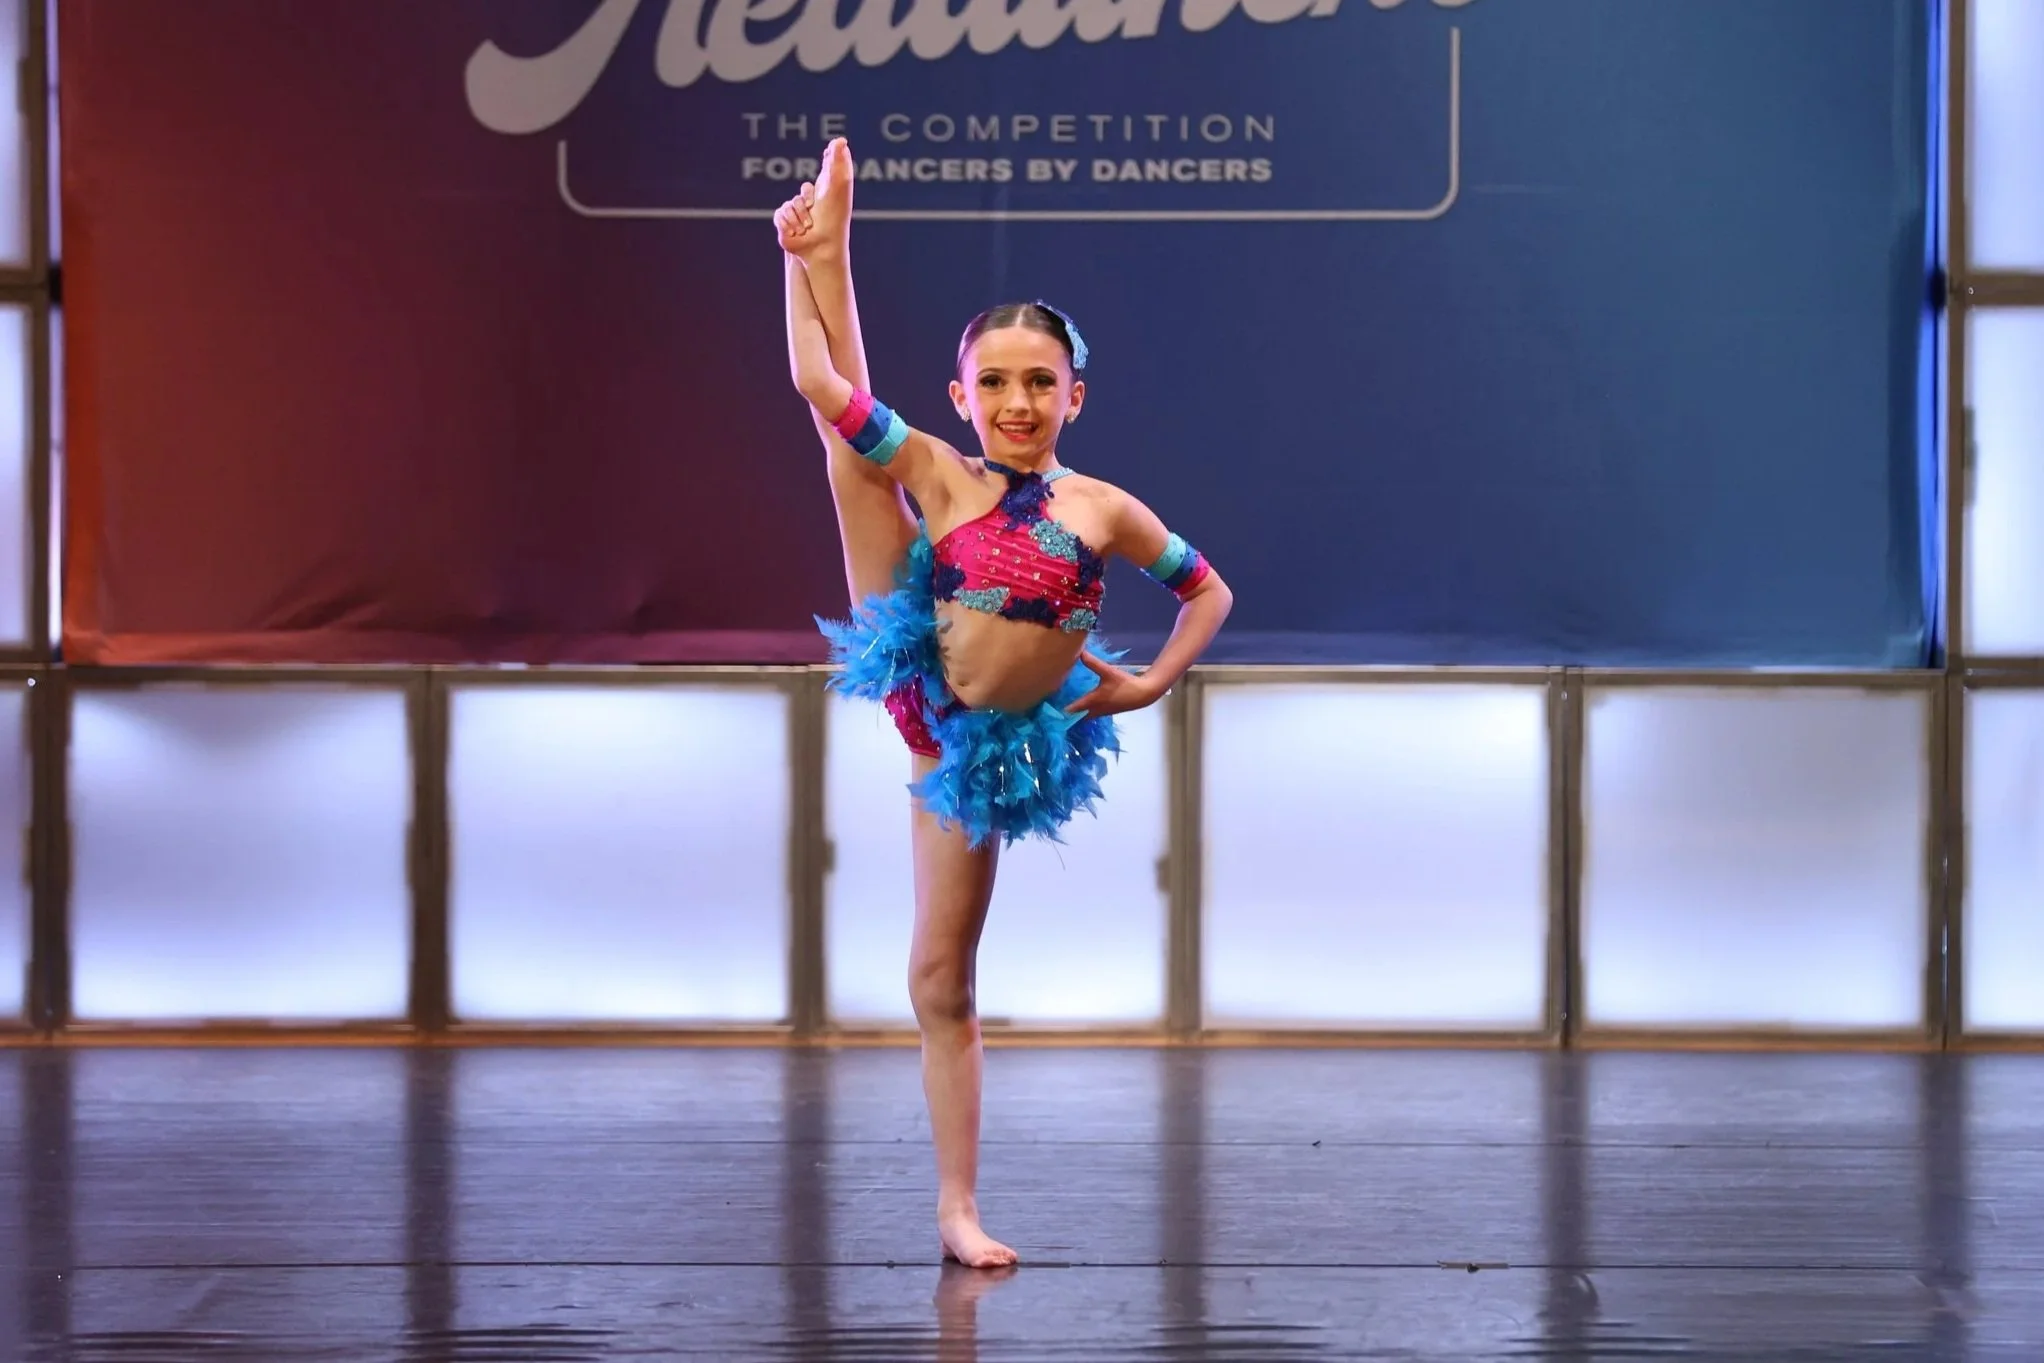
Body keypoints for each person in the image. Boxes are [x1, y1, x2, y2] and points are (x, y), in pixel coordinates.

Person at [775, 139, 1232, 1268]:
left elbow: (1207, 588)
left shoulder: (1105, 508)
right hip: (924, 675)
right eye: (993, 381)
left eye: (1039, 381)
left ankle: (956, 1204)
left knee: (943, 975)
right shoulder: (939, 466)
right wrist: (796, 263)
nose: (1016, 401)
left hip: (995, 739)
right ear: (961, 394)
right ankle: (833, 244)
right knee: (848, 456)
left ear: (1075, 393)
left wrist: (1151, 681)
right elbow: (822, 388)